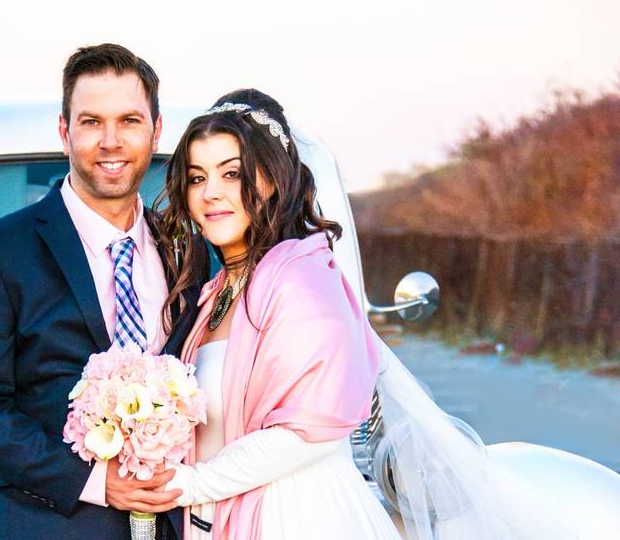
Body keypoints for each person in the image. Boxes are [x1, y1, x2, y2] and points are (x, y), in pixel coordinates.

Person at [156, 89, 574, 539]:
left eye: (232, 173)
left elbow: (308, 430)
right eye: (197, 178)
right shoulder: (215, 292)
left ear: (272, 179)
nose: (211, 193)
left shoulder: (302, 279)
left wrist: (191, 484)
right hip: (214, 517)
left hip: (294, 517)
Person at [0, 43, 208, 540]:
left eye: (129, 120)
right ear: (64, 131)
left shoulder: (188, 247)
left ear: (156, 131)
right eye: (91, 122)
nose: (111, 141)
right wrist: (93, 480)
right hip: (42, 526)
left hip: (175, 524)